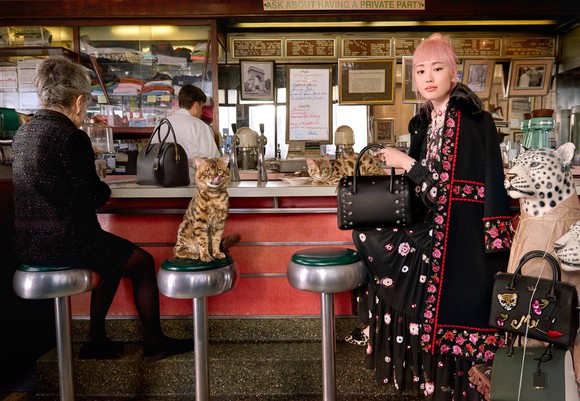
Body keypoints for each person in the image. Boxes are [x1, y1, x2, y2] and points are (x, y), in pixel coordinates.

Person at [352, 33, 513, 400]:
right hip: (435, 229)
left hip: (457, 237)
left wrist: (406, 163)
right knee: (366, 234)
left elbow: (448, 195)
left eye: (437, 68)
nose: (428, 77)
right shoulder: (428, 119)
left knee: (377, 242)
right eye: (421, 70)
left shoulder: (469, 120)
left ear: (453, 74)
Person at [12, 56, 193, 362]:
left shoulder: (23, 133)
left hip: (28, 246)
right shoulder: (71, 136)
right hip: (67, 243)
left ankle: (96, 340)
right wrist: (103, 182)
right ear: (79, 101)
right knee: (143, 263)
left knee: (112, 259)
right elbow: (95, 198)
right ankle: (154, 343)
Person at [153, 83, 221, 164]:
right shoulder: (200, 126)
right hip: (189, 175)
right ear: (196, 105)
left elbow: (152, 154)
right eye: (202, 107)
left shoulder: (161, 124)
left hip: (161, 175)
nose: (202, 112)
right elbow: (213, 160)